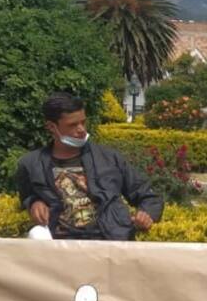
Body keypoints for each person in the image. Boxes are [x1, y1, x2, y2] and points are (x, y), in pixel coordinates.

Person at [16, 92, 163, 240]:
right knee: (36, 234)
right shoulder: (30, 164)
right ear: (51, 127)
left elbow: (147, 195)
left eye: (83, 122)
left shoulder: (109, 158)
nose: (81, 129)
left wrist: (146, 213)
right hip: (60, 243)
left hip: (108, 240)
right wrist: (34, 202)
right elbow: (28, 196)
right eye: (73, 125)